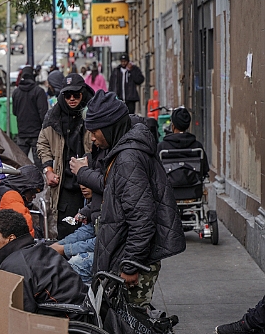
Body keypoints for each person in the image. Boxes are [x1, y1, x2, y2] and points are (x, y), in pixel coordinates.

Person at [84, 90, 186, 307]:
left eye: (95, 131)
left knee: (133, 324)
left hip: (132, 260)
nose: (92, 137)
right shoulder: (125, 149)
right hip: (128, 254)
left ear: (110, 127)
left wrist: (130, 265)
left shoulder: (128, 157)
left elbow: (141, 217)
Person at [0, 209, 88, 315]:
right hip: (80, 314)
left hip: (65, 323)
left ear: (11, 238)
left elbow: (21, 315)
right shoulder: (37, 249)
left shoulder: (15, 266)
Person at [37, 73, 95, 240]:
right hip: (65, 187)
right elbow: (42, 144)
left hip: (92, 182)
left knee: (92, 230)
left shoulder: (93, 113)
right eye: (67, 95)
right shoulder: (53, 116)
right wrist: (48, 169)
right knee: (67, 230)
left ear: (83, 93)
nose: (72, 99)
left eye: (76, 95)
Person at [51, 184, 95, 283]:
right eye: (80, 182)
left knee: (76, 265)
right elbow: (87, 230)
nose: (83, 187)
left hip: (118, 254)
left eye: (87, 182)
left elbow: (103, 242)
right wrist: (59, 244)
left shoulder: (108, 202)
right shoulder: (91, 202)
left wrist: (65, 249)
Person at [0, 165, 45, 238]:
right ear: (25, 186)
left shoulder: (1, 191)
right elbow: (26, 230)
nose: (34, 196)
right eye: (33, 191)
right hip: (4, 243)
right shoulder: (11, 197)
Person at [12, 66, 48, 169]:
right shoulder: (39, 91)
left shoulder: (16, 92)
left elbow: (14, 112)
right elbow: (43, 114)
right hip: (36, 133)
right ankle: (41, 183)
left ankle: (23, 183)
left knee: (20, 165)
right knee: (40, 165)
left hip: (22, 133)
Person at [157, 107, 210, 178]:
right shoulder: (197, 146)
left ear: (173, 126)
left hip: (169, 186)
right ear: (187, 126)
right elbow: (205, 169)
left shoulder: (162, 147)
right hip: (193, 187)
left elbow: (155, 169)